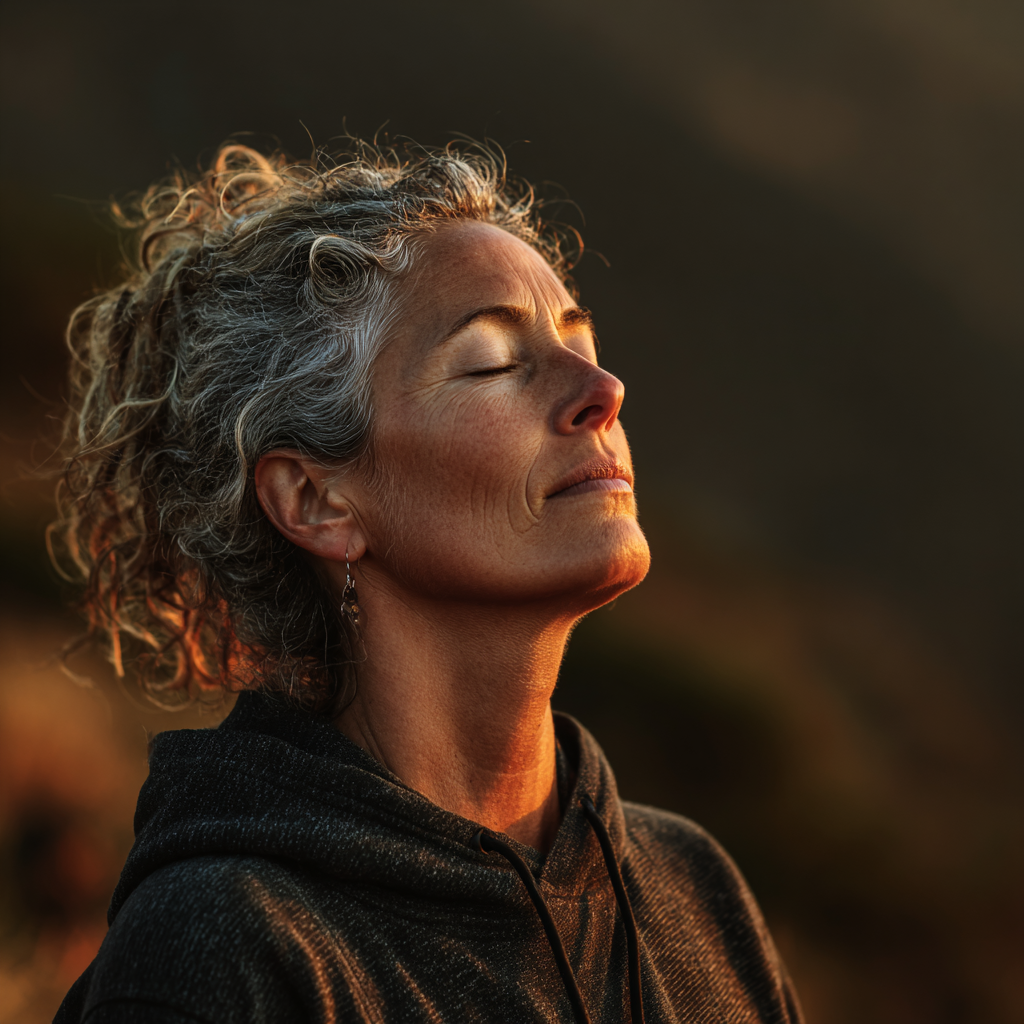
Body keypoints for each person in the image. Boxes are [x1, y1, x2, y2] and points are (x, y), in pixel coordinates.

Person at [52, 139, 803, 1024]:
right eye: (492, 363)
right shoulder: (221, 953)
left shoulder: (693, 890)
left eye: (582, 344)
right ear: (316, 500)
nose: (604, 389)